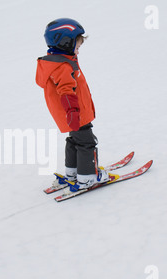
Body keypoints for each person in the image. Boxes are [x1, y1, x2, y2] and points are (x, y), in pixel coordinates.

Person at [35, 18, 109, 189]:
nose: (78, 50)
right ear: (65, 42)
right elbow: (67, 92)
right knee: (86, 142)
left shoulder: (54, 62)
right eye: (77, 45)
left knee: (74, 140)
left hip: (70, 114)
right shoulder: (62, 66)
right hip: (75, 112)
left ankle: (73, 173)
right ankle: (88, 177)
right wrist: (73, 112)